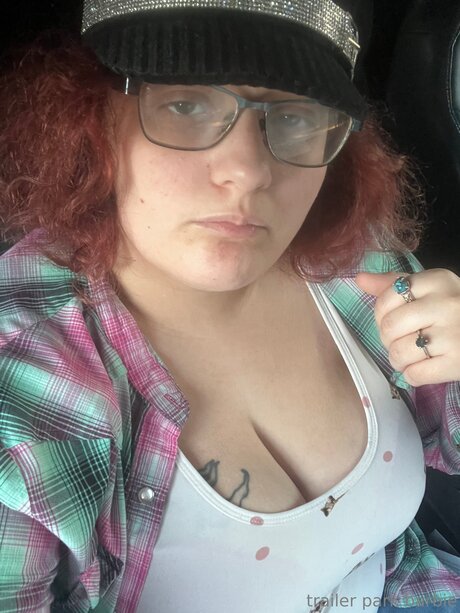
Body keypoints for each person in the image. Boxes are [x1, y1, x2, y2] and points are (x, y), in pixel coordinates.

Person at [0, 0, 459, 611]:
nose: (248, 172)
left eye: (293, 115)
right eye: (185, 105)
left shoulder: (358, 262)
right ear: (92, 119)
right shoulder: (23, 388)